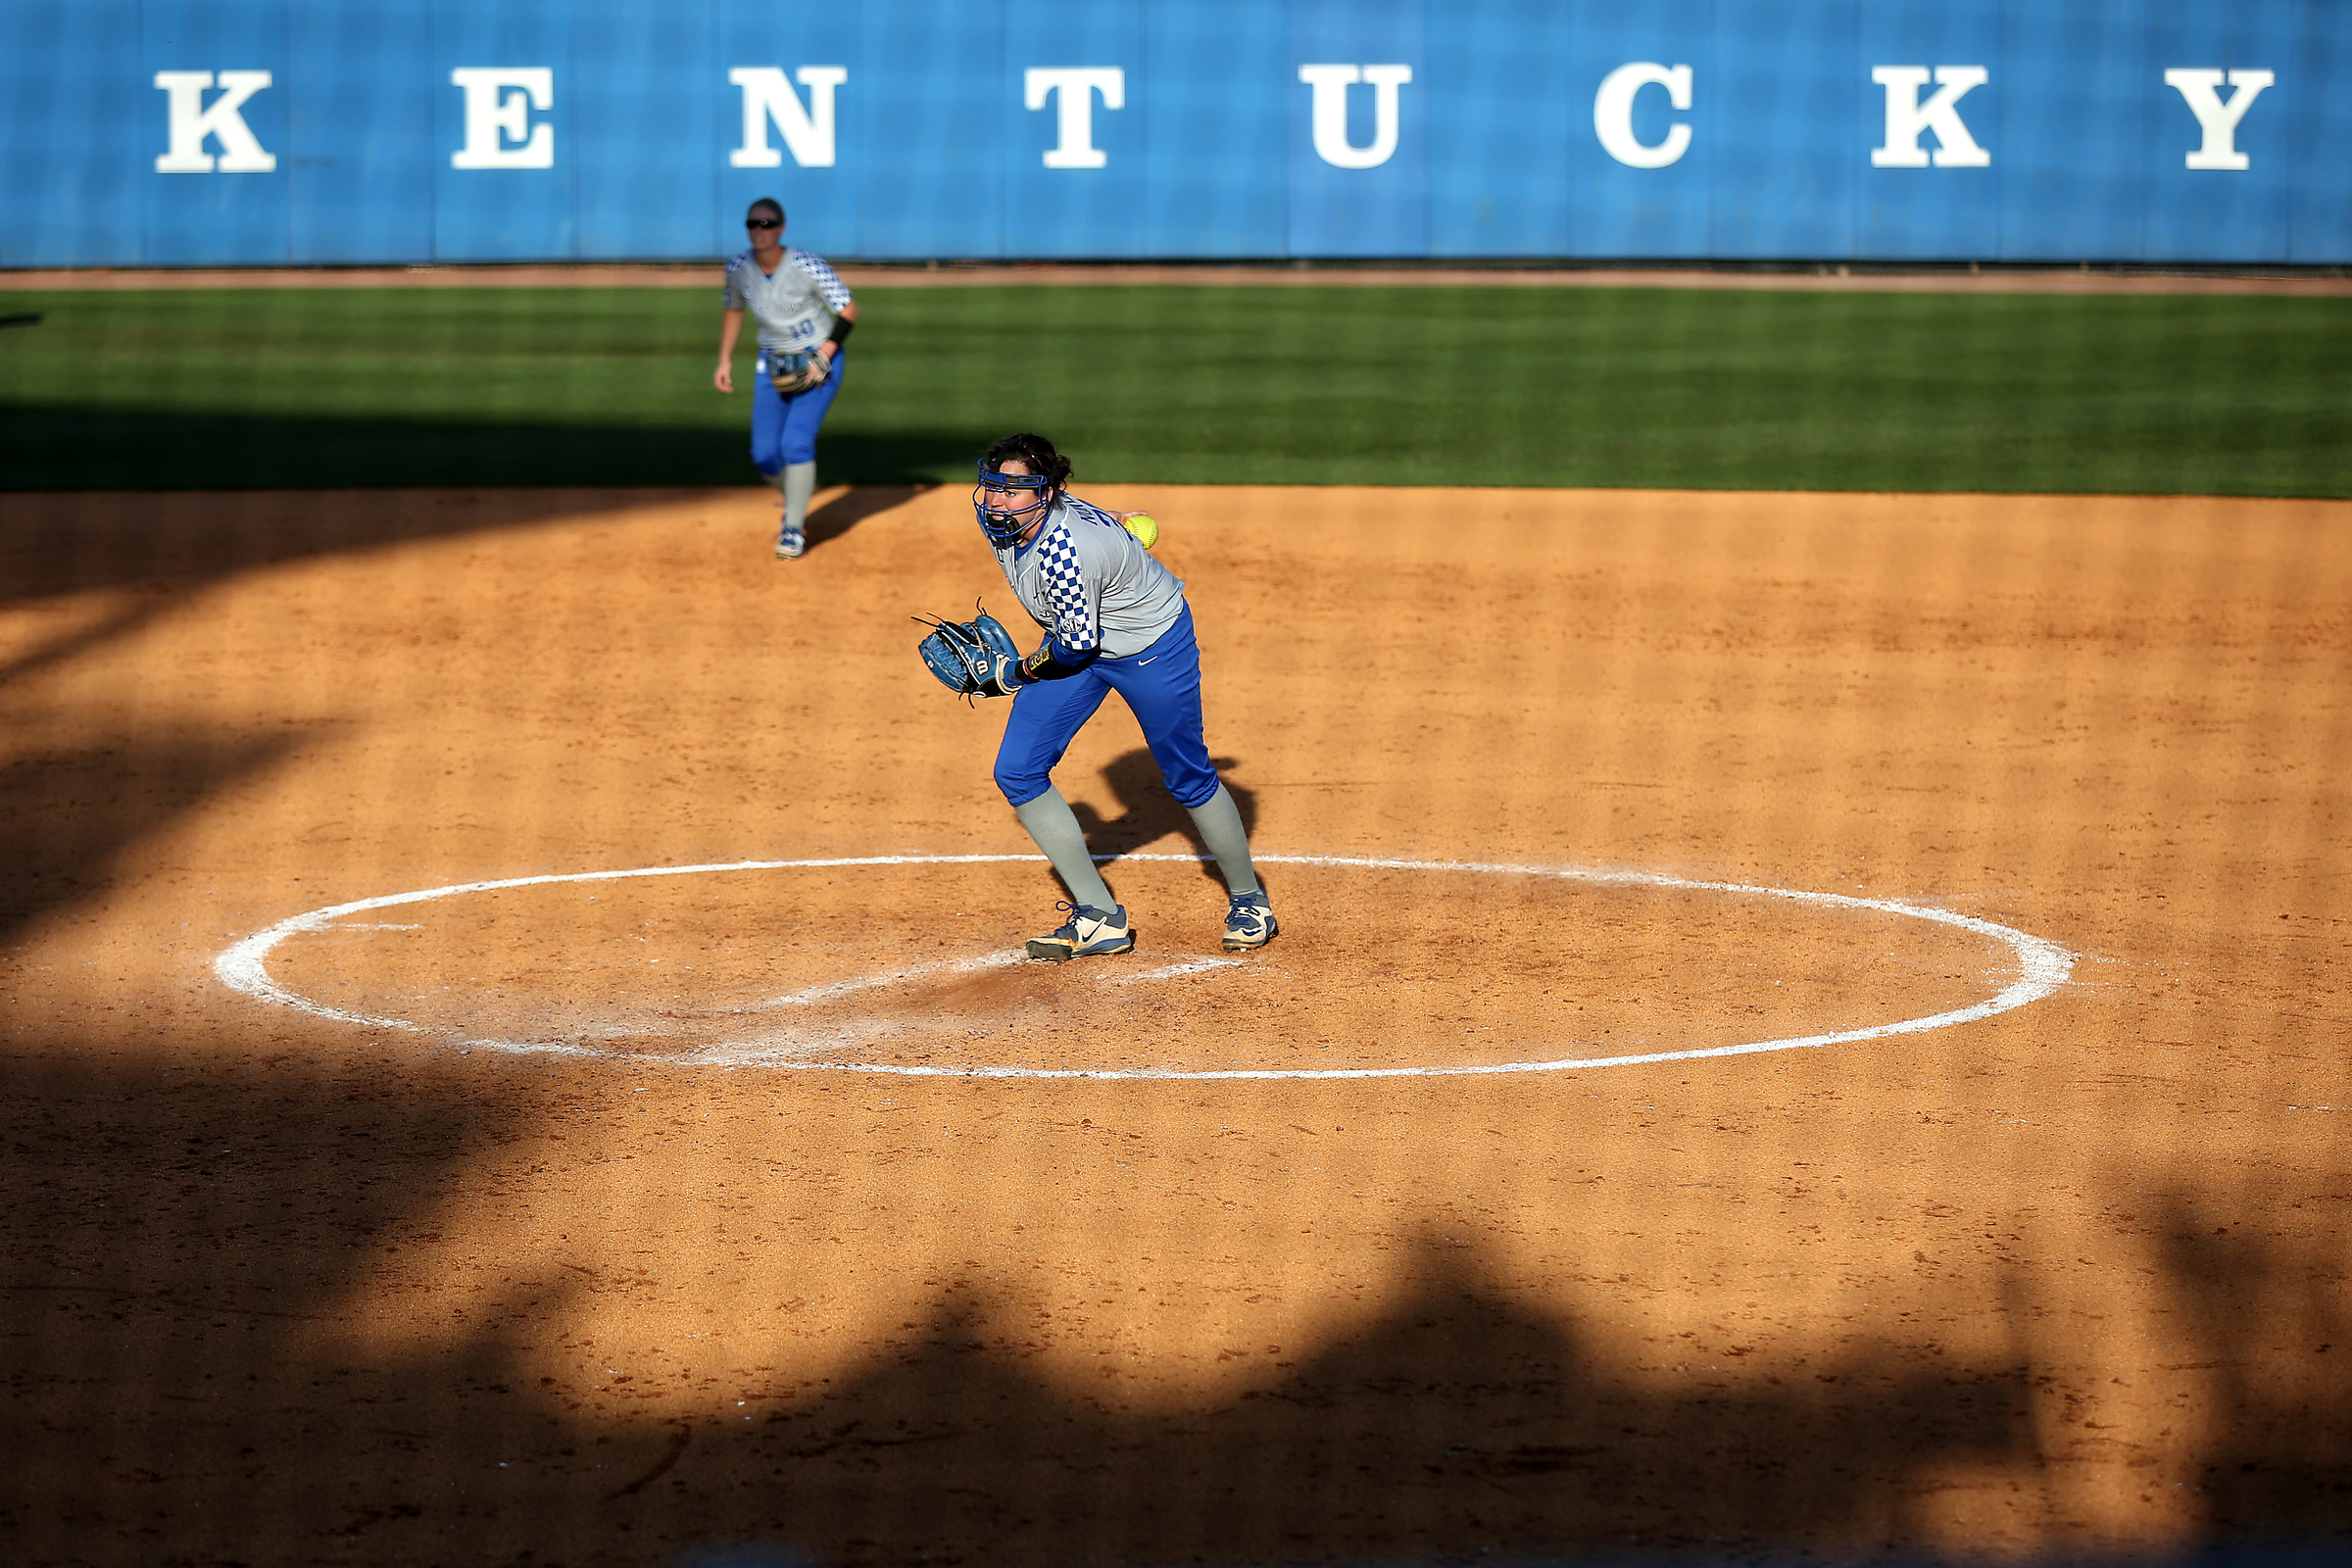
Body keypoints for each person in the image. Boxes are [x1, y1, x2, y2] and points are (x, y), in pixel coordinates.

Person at [968, 432, 1277, 960]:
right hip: (1078, 635)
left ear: (1046, 492)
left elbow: (1074, 647)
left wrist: (1014, 673)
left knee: (1186, 774)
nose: (998, 500)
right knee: (1017, 771)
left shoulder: (1065, 551)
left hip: (1149, 646)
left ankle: (1251, 901)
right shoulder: (1004, 522)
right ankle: (1099, 919)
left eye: (1015, 490)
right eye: (994, 485)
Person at [712, 198, 857, 559]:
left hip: (818, 360)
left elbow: (848, 309)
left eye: (767, 224)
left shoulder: (807, 265)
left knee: (796, 444)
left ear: (781, 228)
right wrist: (724, 360)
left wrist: (825, 353)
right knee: (764, 455)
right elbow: (733, 311)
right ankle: (796, 495)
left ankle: (793, 528)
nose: (759, 230)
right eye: (753, 224)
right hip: (771, 363)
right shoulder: (738, 268)